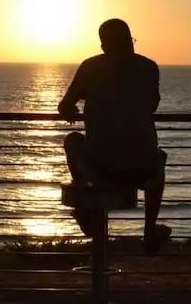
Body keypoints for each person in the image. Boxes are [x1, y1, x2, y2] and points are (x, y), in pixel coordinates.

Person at [58, 18, 171, 255]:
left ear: (103, 45)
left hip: (101, 169)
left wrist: (77, 107)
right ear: (130, 41)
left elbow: (65, 105)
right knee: (159, 157)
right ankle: (149, 231)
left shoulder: (90, 67)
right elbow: (152, 105)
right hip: (141, 169)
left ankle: (86, 209)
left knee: (72, 141)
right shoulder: (149, 67)